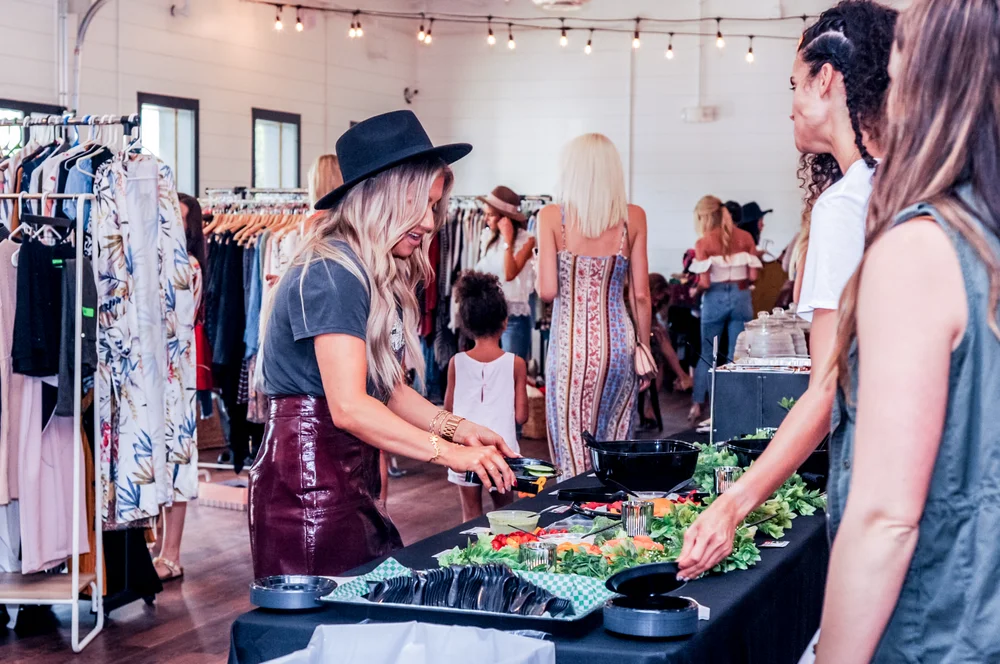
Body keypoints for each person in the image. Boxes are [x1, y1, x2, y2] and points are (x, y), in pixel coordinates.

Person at [677, 0, 897, 580]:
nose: (791, 104)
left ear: (828, 79)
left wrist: (732, 504)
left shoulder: (847, 205)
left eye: (795, 82)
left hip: (886, 479)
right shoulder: (911, 183)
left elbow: (829, 386)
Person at [248, 110, 517, 578]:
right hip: (308, 485)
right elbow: (350, 407)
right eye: (422, 206)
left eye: (435, 207)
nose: (430, 224)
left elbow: (387, 389)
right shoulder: (333, 272)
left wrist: (458, 428)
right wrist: (448, 451)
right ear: (383, 197)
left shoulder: (366, 271)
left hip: (342, 476)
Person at [816, 2, 1000, 660]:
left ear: (927, 81)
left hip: (943, 634)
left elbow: (885, 520)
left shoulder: (923, 250)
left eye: (894, 74)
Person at [537, 133, 650, 478]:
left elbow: (547, 291)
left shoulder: (552, 217)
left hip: (571, 349)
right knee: (616, 446)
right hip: (619, 344)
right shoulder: (633, 217)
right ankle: (618, 525)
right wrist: (643, 347)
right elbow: (641, 294)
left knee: (573, 451)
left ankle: (578, 524)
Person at [150, 192, 205, 582]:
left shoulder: (188, 265)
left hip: (176, 374)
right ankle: (156, 545)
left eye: (179, 218)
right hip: (152, 374)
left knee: (179, 460)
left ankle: (171, 552)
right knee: (155, 461)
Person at [445, 272, 529, 521]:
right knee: (505, 513)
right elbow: (523, 416)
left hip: (465, 450)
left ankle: (472, 558)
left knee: (470, 514)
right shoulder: (516, 363)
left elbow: (447, 412)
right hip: (503, 453)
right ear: (505, 322)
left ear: (467, 325)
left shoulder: (456, 362)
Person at [688, 195, 760, 423]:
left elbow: (705, 283)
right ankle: (732, 404)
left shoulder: (703, 243)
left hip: (714, 298)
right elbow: (753, 276)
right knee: (736, 354)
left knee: (708, 353)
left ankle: (698, 405)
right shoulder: (746, 237)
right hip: (741, 296)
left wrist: (694, 292)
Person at [474, 185, 536, 362]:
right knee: (490, 374)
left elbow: (510, 273)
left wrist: (508, 239)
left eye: (491, 214)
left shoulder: (527, 240)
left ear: (505, 218)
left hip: (513, 318)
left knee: (511, 374)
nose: (485, 218)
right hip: (488, 315)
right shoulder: (487, 237)